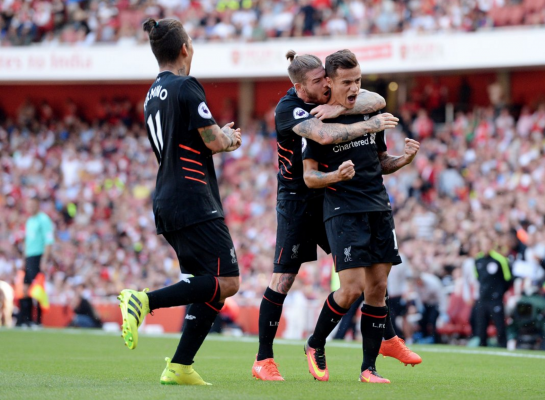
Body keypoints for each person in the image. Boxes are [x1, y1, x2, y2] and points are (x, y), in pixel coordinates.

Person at [252, 50, 401, 381]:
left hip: (329, 195)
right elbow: (322, 135)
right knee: (284, 278)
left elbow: (375, 98)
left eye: (326, 79)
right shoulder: (288, 108)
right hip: (296, 199)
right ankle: (263, 359)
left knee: (362, 269)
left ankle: (387, 339)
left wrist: (340, 106)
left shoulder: (328, 99)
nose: (326, 85)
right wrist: (370, 124)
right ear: (301, 87)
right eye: (319, 81)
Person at [117, 18, 242, 386]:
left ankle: (180, 365)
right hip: (193, 197)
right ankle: (145, 301)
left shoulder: (151, 93)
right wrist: (230, 138)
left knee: (202, 282)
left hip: (167, 197)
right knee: (228, 281)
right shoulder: (187, 86)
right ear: (185, 48)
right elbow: (214, 142)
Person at [302, 49, 421, 383]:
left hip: (378, 205)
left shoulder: (370, 111)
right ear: (329, 82)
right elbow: (309, 177)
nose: (354, 87)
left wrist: (404, 160)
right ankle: (315, 343)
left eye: (358, 80)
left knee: (378, 287)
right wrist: (337, 176)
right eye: (347, 82)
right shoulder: (317, 121)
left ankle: (368, 368)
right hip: (342, 208)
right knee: (351, 288)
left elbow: (380, 161)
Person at [17, 197, 53, 327]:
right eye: (28, 205)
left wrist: (44, 259)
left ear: (37, 205)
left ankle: (38, 321)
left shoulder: (43, 220)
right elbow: (27, 242)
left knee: (36, 289)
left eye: (32, 205)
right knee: (25, 289)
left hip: (38, 256)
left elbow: (48, 241)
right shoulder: (29, 221)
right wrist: (23, 259)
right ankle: (26, 320)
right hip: (29, 257)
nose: (30, 208)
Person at [473, 234, 512, 348]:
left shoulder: (500, 260)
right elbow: (478, 278)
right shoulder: (478, 260)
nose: (485, 246)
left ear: (492, 245)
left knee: (499, 325)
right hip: (482, 298)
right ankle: (482, 347)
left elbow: (508, 279)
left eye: (487, 244)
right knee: (481, 326)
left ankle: (503, 346)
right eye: (483, 244)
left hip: (495, 299)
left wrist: (499, 292)